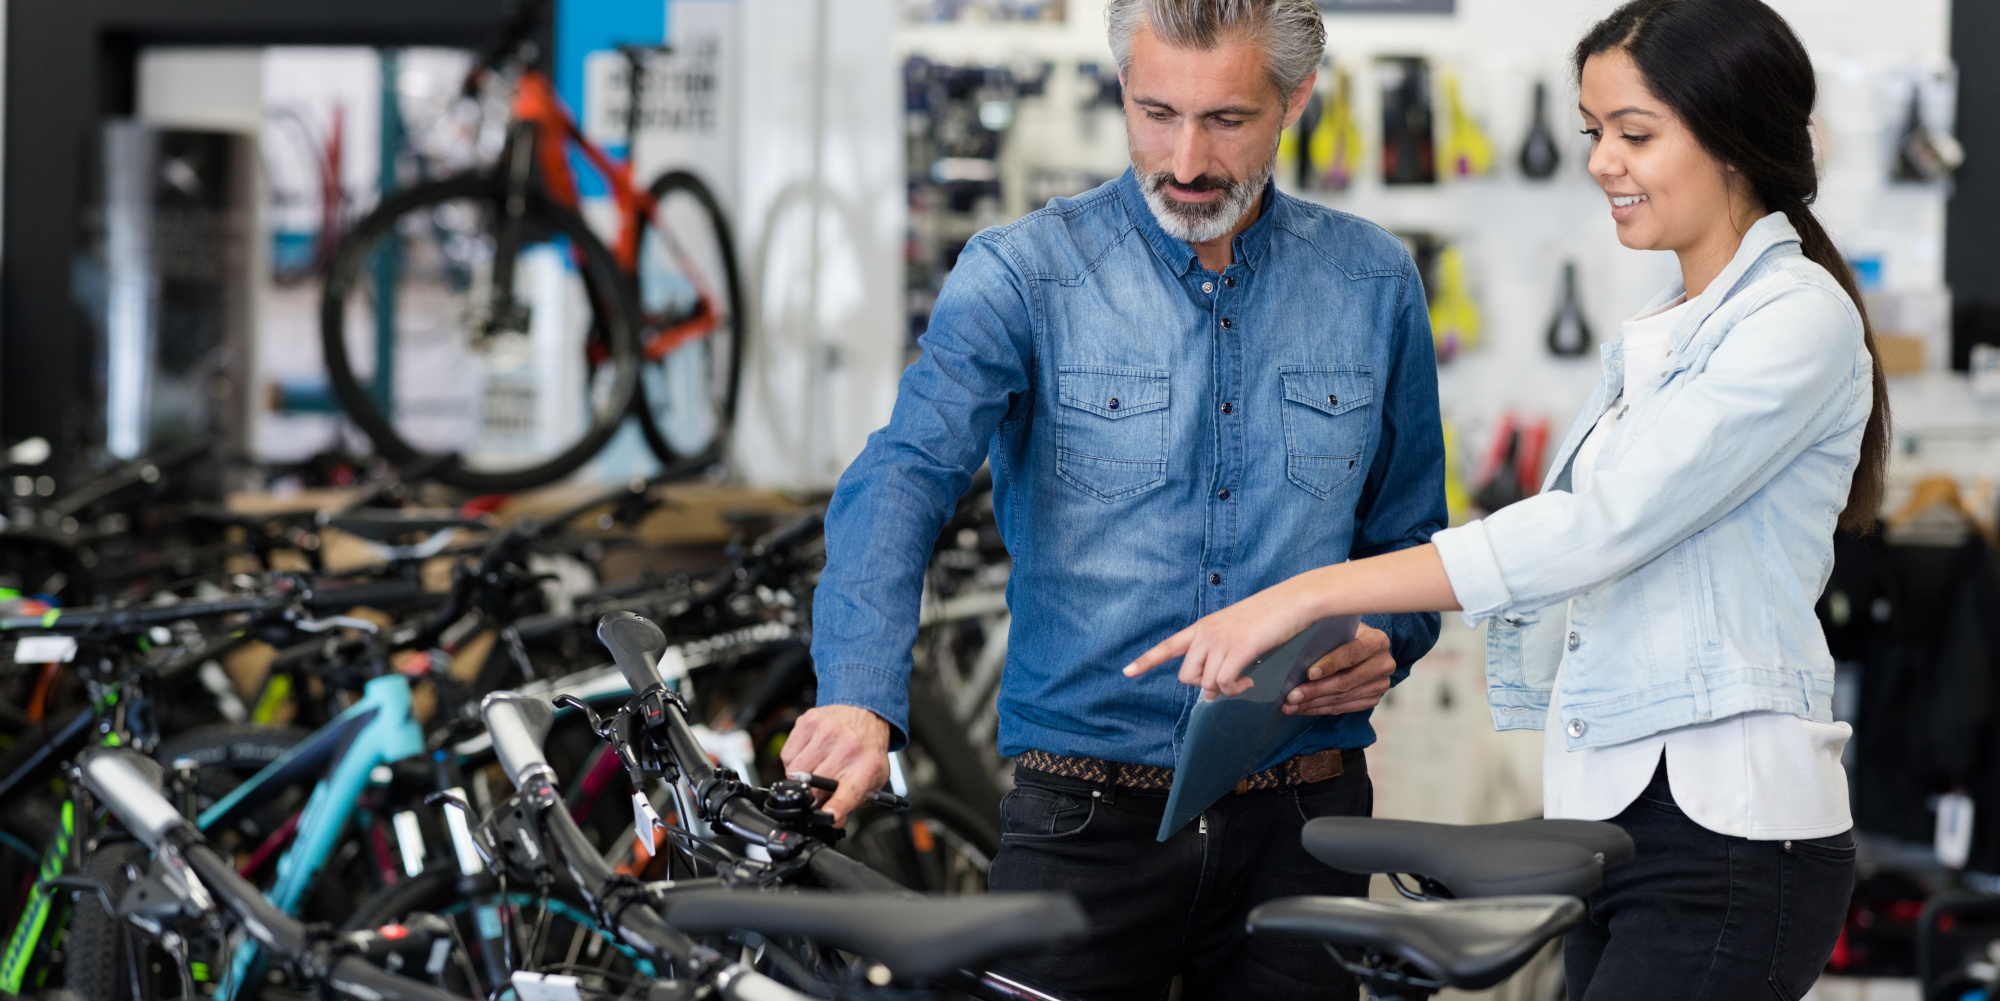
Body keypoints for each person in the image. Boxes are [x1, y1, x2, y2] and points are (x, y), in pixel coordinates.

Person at [1126, 1, 1887, 997]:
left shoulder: (1796, 321)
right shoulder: (1666, 328)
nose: (1599, 163)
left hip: (1731, 831)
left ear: (1732, 133)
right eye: (1591, 132)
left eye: (1633, 134)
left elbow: (1592, 530)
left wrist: (1307, 591)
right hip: (1621, 819)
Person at [781, 0, 1448, 996]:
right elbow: (902, 474)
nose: (1183, 159)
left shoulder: (1372, 282)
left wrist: (1385, 636)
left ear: (1294, 100)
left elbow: (1405, 534)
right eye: (1152, 113)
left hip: (1306, 821)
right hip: (1083, 822)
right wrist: (855, 690)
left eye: (1225, 120)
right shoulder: (1024, 274)